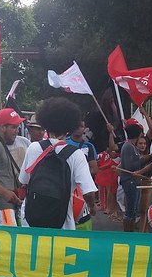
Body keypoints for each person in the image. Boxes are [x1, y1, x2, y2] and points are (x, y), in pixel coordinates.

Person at [18, 97, 97, 230]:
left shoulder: (34, 147)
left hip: (31, 217)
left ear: (45, 124)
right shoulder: (76, 154)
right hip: (61, 220)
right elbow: (88, 192)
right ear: (70, 127)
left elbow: (23, 181)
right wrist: (92, 206)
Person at [118, 120, 152, 232]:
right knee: (130, 209)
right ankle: (128, 232)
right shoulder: (129, 147)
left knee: (133, 209)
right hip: (130, 181)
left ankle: (130, 231)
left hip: (134, 181)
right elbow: (131, 165)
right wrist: (148, 157)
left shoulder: (130, 146)